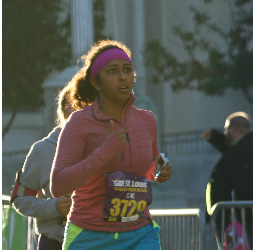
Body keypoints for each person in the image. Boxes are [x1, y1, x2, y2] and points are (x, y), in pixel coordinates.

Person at [51, 40, 172, 250]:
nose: (123, 76)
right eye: (112, 71)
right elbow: (58, 185)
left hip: (140, 233)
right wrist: (105, 151)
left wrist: (159, 172)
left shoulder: (147, 120)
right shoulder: (79, 122)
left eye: (127, 70)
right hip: (89, 236)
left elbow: (148, 171)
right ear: (97, 83)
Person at [13, 97, 75, 249]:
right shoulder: (42, 150)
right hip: (55, 243)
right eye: (78, 106)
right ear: (65, 110)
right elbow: (19, 200)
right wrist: (54, 207)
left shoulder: (106, 148)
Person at [206, 113, 253, 248]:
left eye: (226, 129)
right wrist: (214, 137)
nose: (225, 132)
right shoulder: (240, 148)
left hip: (241, 218)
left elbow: (245, 184)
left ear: (233, 128)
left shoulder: (252, 149)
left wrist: (236, 214)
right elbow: (228, 150)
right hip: (229, 216)